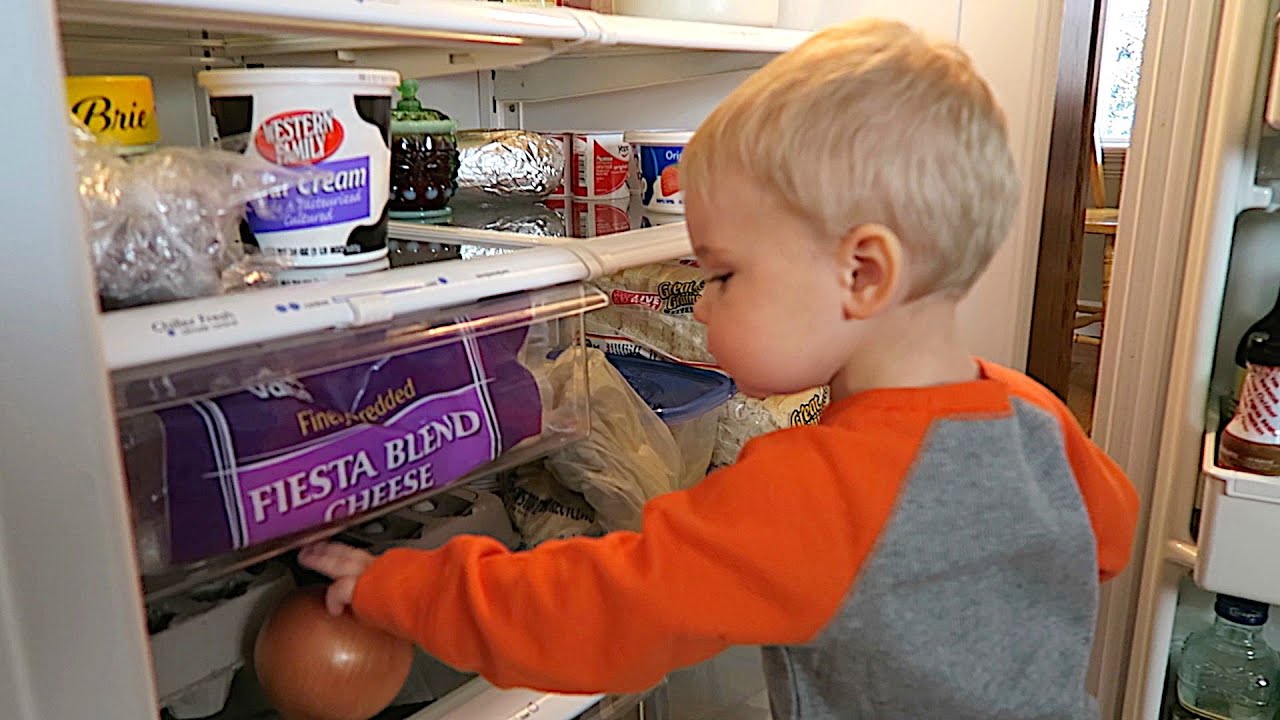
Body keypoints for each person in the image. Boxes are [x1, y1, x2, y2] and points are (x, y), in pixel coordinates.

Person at [300, 17, 1139, 719]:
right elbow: (1110, 534)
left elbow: (602, 614)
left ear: (863, 274)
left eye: (724, 274)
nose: (700, 305)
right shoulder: (1032, 412)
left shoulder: (821, 492)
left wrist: (401, 590)